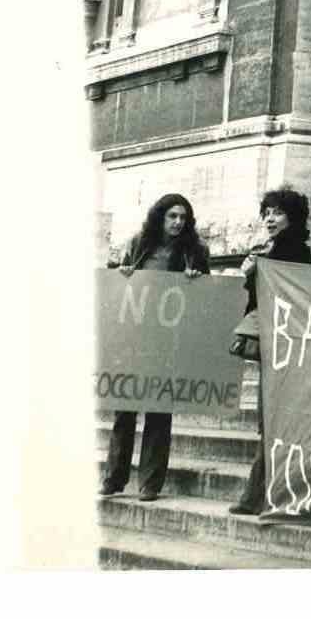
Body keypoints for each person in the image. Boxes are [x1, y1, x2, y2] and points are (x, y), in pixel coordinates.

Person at [100, 193, 211, 502]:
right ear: (160, 217)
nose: (178, 222)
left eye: (183, 218)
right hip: (135, 338)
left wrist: (196, 279)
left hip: (168, 342)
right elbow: (121, 286)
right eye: (172, 216)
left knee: (159, 413)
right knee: (124, 411)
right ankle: (113, 478)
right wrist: (123, 275)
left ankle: (150, 483)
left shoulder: (195, 251)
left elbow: (208, 298)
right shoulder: (139, 244)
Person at [229, 187, 311, 517]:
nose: (269, 218)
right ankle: (260, 493)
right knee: (269, 421)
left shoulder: (298, 254)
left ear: (292, 218)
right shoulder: (264, 250)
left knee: (275, 420)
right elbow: (256, 301)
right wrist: (250, 272)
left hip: (288, 345)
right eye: (266, 212)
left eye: (277, 212)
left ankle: (257, 495)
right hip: (271, 344)